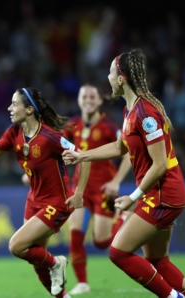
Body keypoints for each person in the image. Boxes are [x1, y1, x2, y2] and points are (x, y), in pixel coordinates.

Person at [62, 48, 185, 298]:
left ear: (121, 79)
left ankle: (171, 297)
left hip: (164, 193)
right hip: (158, 192)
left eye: (111, 73)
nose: (108, 78)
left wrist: (133, 197)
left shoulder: (146, 115)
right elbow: (118, 147)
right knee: (158, 260)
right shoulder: (129, 111)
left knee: (118, 252)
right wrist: (82, 155)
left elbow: (160, 165)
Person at [0, 87, 91, 298]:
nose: (9, 108)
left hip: (57, 202)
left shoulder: (50, 137)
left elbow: (84, 158)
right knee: (36, 260)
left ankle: (56, 262)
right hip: (34, 200)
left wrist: (79, 192)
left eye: (14, 104)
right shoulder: (14, 132)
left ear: (28, 110)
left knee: (17, 246)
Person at [63, 84, 132, 295]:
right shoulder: (72, 125)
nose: (89, 99)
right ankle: (82, 282)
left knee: (102, 242)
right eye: (84, 96)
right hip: (81, 189)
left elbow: (128, 153)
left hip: (103, 189)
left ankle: (122, 218)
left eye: (93, 96)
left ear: (100, 101)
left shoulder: (109, 126)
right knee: (75, 234)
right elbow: (56, 147)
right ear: (79, 100)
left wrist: (116, 181)